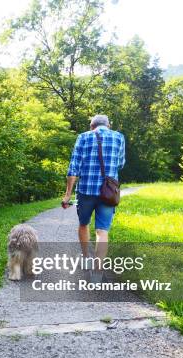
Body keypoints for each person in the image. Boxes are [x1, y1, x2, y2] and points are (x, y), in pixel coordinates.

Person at [61, 115, 125, 278]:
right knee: (102, 230)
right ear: (108, 125)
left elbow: (73, 167)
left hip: (86, 191)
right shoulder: (119, 137)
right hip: (108, 193)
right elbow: (120, 163)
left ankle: (85, 258)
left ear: (92, 126)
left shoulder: (83, 137)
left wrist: (68, 194)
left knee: (83, 224)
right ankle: (97, 273)